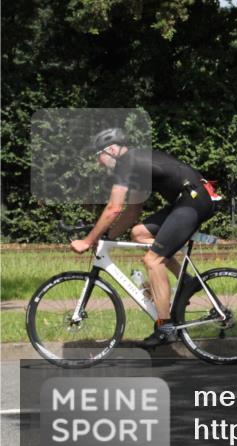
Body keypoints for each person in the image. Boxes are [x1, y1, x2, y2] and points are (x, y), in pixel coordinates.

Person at [70, 127, 220, 348]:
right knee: (139, 233)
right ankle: (186, 282)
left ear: (111, 150)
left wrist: (88, 240)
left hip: (194, 200)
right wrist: (106, 236)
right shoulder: (135, 164)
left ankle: (165, 327)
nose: (98, 163)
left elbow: (114, 208)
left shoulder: (125, 164)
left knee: (152, 260)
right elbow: (132, 212)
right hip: (187, 200)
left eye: (98, 156)